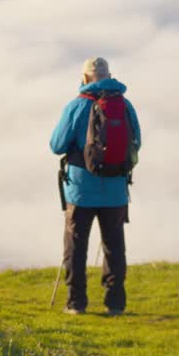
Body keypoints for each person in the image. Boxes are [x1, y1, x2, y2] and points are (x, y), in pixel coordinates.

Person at [49, 57, 141, 316]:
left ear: (85, 77)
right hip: (115, 190)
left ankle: (76, 303)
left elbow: (56, 145)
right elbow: (137, 142)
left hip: (80, 189)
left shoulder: (76, 106)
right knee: (114, 245)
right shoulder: (125, 105)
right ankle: (115, 303)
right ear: (109, 75)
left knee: (76, 245)